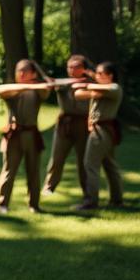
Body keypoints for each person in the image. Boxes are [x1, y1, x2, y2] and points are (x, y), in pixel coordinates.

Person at [0, 60, 50, 214]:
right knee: (8, 171)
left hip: (32, 134)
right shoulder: (12, 90)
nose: (21, 74)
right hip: (14, 135)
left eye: (25, 71)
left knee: (33, 171)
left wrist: (39, 83)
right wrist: (27, 85)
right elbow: (0, 91)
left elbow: (46, 90)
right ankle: (2, 204)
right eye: (19, 71)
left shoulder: (37, 91)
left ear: (33, 74)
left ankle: (34, 205)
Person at [73, 61, 125, 210]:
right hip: (100, 130)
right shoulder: (100, 89)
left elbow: (91, 88)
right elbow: (78, 94)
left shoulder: (114, 88)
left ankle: (91, 201)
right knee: (109, 165)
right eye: (97, 73)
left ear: (110, 75)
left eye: (101, 74)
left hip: (102, 131)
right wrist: (91, 83)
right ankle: (117, 200)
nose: (98, 76)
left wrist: (90, 82)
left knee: (90, 164)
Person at [42, 55, 92, 196]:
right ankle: (49, 187)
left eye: (76, 67)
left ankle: (87, 190)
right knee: (57, 157)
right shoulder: (63, 83)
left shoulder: (91, 83)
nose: (71, 70)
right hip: (65, 124)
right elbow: (54, 84)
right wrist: (51, 83)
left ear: (84, 69)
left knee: (84, 160)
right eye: (69, 67)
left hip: (83, 124)